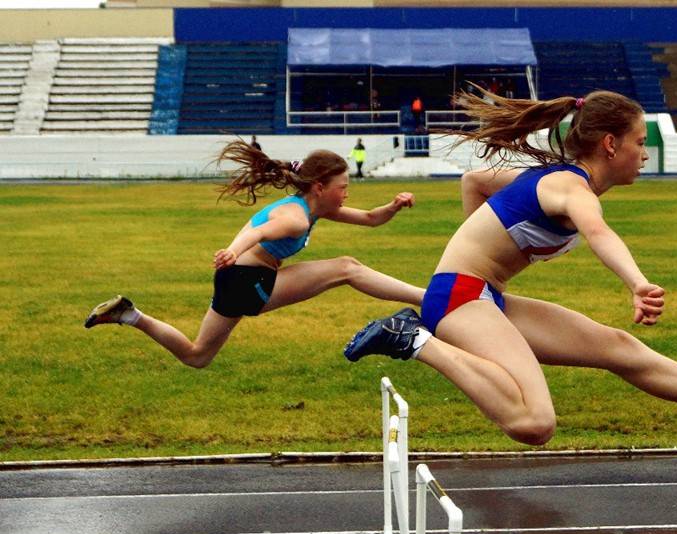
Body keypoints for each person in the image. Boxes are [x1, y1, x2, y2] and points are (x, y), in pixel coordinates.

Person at [344, 88, 677, 446]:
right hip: (461, 298)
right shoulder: (572, 189)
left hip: (480, 295)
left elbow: (475, 180)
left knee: (619, 347)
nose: (645, 153)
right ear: (611, 144)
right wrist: (637, 283)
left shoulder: (551, 181)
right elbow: (599, 233)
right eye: (639, 142)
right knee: (535, 422)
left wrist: (480, 246)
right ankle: (414, 339)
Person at [84, 140, 423, 369]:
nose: (347, 194)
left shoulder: (312, 209)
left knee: (197, 355)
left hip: (238, 280)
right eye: (343, 187)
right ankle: (429, 298)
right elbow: (258, 231)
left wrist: (393, 206)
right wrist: (232, 251)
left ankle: (129, 315)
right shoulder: (296, 217)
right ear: (320, 187)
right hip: (248, 280)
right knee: (347, 268)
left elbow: (369, 219)